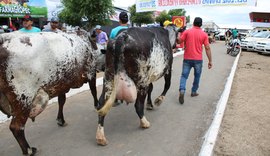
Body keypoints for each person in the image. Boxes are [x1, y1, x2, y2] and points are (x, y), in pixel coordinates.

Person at [177, 17, 212, 104]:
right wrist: (210, 61)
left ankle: (182, 90)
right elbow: (207, 48)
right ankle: (193, 92)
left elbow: (179, 41)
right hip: (198, 60)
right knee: (197, 76)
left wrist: (178, 33)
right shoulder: (204, 34)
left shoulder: (187, 32)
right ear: (201, 24)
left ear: (193, 23)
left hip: (187, 59)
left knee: (184, 76)